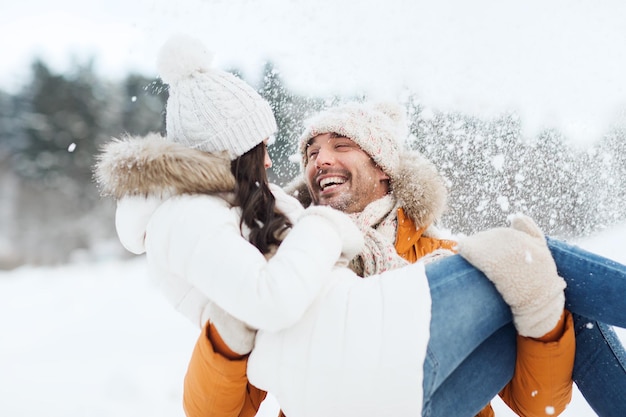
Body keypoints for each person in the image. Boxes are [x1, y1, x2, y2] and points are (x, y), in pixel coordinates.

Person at [94, 35, 626, 417]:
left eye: (341, 146)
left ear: (382, 167)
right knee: (531, 256)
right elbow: (212, 413)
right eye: (311, 151)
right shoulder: (283, 246)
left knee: (543, 277)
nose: (320, 159)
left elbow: (539, 403)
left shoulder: (443, 256)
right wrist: (229, 337)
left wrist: (544, 319)